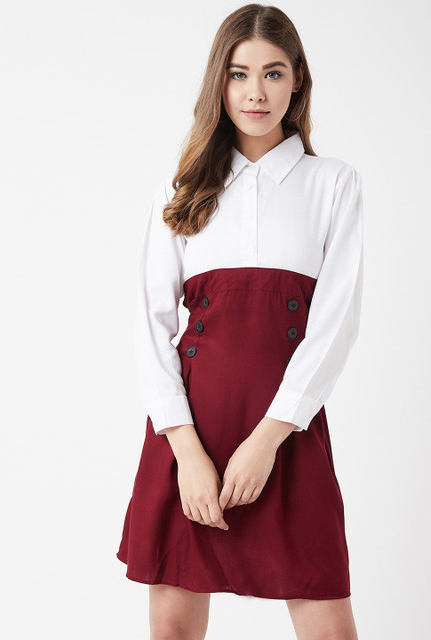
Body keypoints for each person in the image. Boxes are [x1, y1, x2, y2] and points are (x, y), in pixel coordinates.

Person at [116, 4, 363, 639]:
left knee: (329, 625)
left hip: (287, 431)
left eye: (273, 73)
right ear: (219, 83)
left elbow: (335, 325)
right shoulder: (181, 187)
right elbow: (150, 326)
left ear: (297, 80)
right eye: (239, 74)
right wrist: (187, 453)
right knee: (173, 631)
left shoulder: (332, 184)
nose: (256, 92)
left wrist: (265, 442)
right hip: (188, 434)